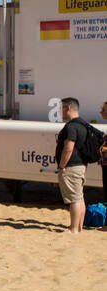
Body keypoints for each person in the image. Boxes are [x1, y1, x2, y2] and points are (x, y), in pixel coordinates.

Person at [55, 97, 93, 234]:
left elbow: (69, 147)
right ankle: (79, 227)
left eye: (61, 109)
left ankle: (73, 229)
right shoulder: (83, 125)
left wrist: (61, 165)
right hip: (81, 165)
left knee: (74, 199)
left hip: (71, 166)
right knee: (79, 197)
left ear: (68, 108)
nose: (60, 112)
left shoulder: (71, 126)